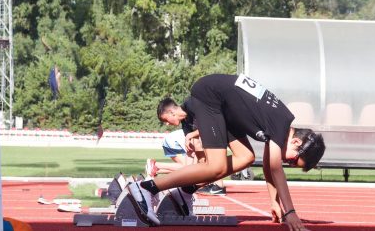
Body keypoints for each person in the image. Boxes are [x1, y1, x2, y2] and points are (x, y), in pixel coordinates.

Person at [129, 74, 326, 231]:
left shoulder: (278, 128)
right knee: (216, 166)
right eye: (292, 161)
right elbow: (275, 168)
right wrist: (290, 211)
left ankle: (184, 192)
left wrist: (275, 203)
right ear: (297, 141)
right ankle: (146, 188)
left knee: (246, 157)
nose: (287, 163)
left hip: (226, 109)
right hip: (211, 96)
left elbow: (268, 166)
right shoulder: (280, 124)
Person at [146, 129, 227, 195]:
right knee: (190, 169)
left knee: (190, 168)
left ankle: (157, 168)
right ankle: (157, 166)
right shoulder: (208, 131)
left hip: (171, 140)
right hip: (175, 141)